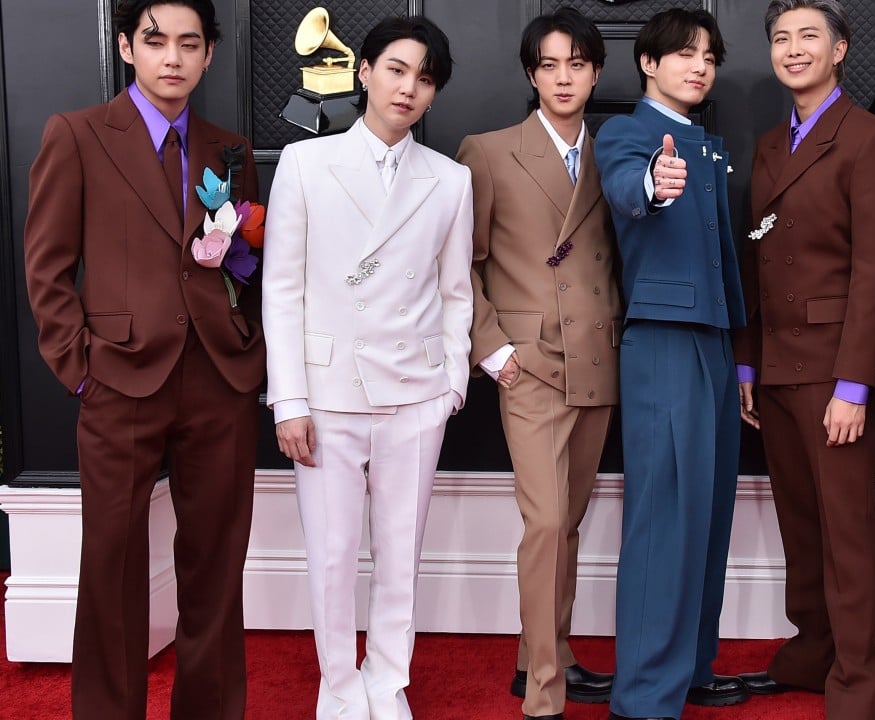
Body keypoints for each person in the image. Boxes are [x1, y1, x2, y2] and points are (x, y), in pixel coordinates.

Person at [23, 1, 262, 717]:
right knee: (112, 565)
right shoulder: (78, 135)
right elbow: (47, 268)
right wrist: (81, 369)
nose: (173, 58)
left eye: (190, 44)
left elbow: (247, 264)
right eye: (156, 42)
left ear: (210, 54)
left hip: (219, 379)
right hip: (118, 378)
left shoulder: (231, 150)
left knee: (217, 563)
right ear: (127, 46)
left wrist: (246, 349)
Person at [262, 16, 473, 720]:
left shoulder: (450, 180)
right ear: (365, 72)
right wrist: (289, 400)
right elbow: (282, 289)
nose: (408, 88)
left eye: (425, 79)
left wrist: (451, 384)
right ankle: (339, 686)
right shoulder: (306, 163)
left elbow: (456, 292)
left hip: (416, 391)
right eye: (396, 69)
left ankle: (387, 680)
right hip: (327, 393)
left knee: (400, 553)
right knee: (332, 553)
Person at [732, 1, 875, 717]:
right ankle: (812, 653)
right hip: (775, 367)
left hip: (835, 371)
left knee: (846, 532)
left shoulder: (873, 140)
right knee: (800, 523)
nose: (793, 49)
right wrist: (748, 362)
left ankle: (855, 685)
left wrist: (854, 384)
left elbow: (874, 273)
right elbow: (755, 259)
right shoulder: (770, 143)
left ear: (839, 50)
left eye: (809, 36)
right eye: (781, 38)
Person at [456, 8, 621, 720]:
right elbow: (460, 262)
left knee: (568, 522)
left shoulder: (614, 156)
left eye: (576, 64)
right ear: (532, 74)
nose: (563, 78)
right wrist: (492, 347)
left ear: (596, 72)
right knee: (548, 523)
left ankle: (541, 655)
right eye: (550, 65)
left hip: (598, 358)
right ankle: (544, 696)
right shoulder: (489, 151)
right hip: (529, 365)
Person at [593, 9, 748, 720]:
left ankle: (690, 670)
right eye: (685, 54)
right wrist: (655, 183)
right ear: (649, 63)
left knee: (708, 512)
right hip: (661, 340)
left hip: (714, 340)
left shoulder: (706, 143)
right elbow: (633, 188)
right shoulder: (628, 134)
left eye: (709, 57)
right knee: (664, 517)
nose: (699, 67)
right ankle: (645, 697)